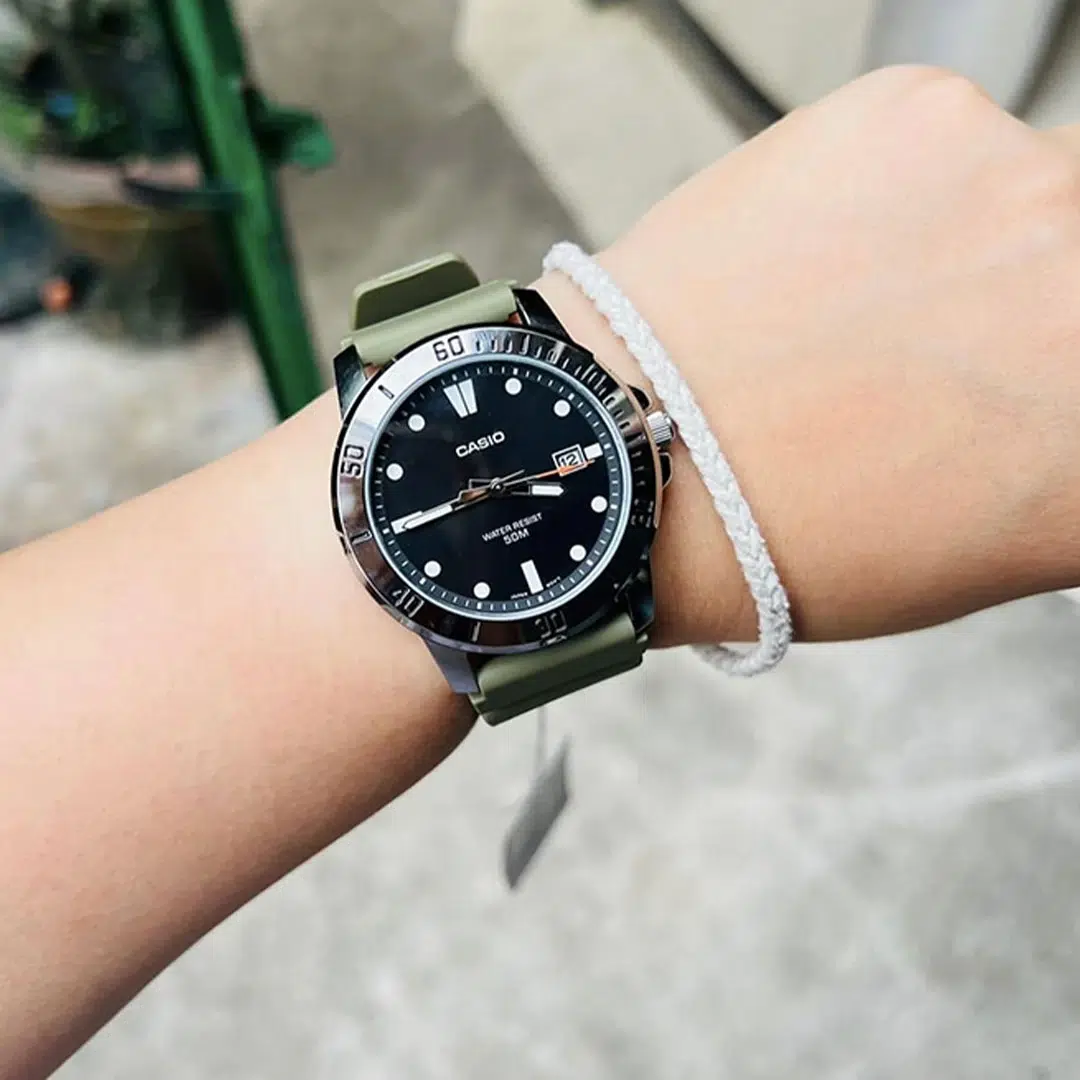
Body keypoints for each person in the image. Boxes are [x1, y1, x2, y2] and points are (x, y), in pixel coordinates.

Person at [2, 65, 1079, 1079]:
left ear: (637, 430)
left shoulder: (545, 442)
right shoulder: (409, 509)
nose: (482, 491)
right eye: (466, 491)